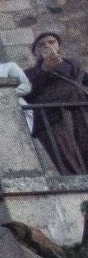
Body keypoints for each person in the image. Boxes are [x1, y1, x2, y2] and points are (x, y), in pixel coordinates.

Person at [27, 32, 88, 176]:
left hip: (81, 110)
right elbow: (28, 93)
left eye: (51, 42)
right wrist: (44, 70)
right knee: (67, 155)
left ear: (58, 45)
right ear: (36, 53)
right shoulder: (30, 72)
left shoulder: (72, 64)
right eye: (42, 45)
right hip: (53, 116)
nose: (48, 45)